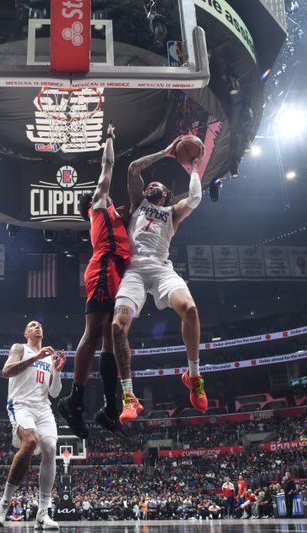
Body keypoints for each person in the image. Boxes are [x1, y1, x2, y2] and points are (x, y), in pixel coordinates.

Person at [110, 137, 208, 422]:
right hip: (135, 272)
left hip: (162, 269)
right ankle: (129, 397)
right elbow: (132, 170)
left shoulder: (172, 213)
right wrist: (165, 153)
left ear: (165, 195)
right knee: (117, 327)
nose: (152, 186)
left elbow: (196, 198)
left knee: (189, 309)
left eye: (158, 187)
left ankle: (194, 377)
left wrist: (193, 167)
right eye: (150, 185)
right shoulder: (138, 202)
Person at [58, 122, 130, 439]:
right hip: (103, 268)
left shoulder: (114, 217)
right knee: (94, 330)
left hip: (117, 271)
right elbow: (109, 164)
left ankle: (109, 407)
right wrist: (110, 137)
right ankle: (74, 400)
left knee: (112, 338)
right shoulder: (100, 203)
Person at [0, 321, 65, 530]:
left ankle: (43, 513)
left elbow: (55, 393)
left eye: (40, 325)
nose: (37, 327)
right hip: (20, 404)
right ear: (25, 333)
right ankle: (3, 506)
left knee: (50, 449)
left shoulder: (50, 356)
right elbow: (6, 371)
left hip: (43, 408)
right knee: (31, 441)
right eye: (32, 325)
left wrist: (57, 372)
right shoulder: (19, 348)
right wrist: (35, 357)